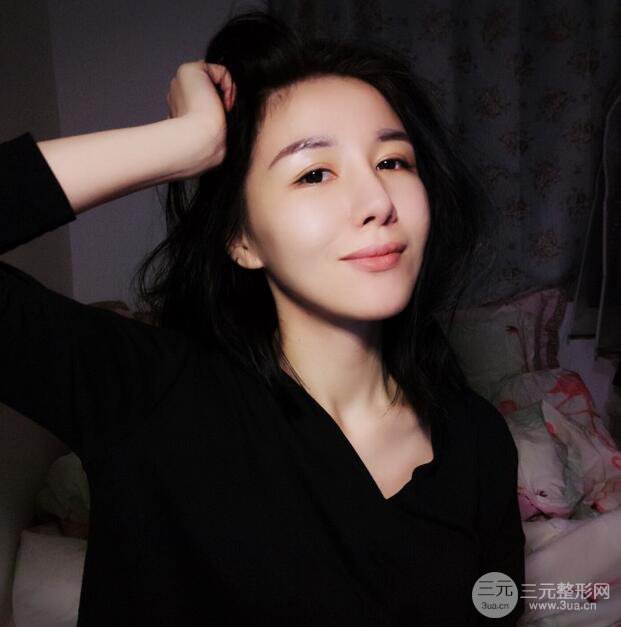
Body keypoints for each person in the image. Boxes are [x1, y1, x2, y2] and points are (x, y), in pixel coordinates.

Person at [0, 9, 525, 626]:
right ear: (242, 239)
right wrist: (186, 141)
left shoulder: (476, 437)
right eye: (315, 173)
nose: (378, 202)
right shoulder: (150, 397)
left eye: (393, 162)